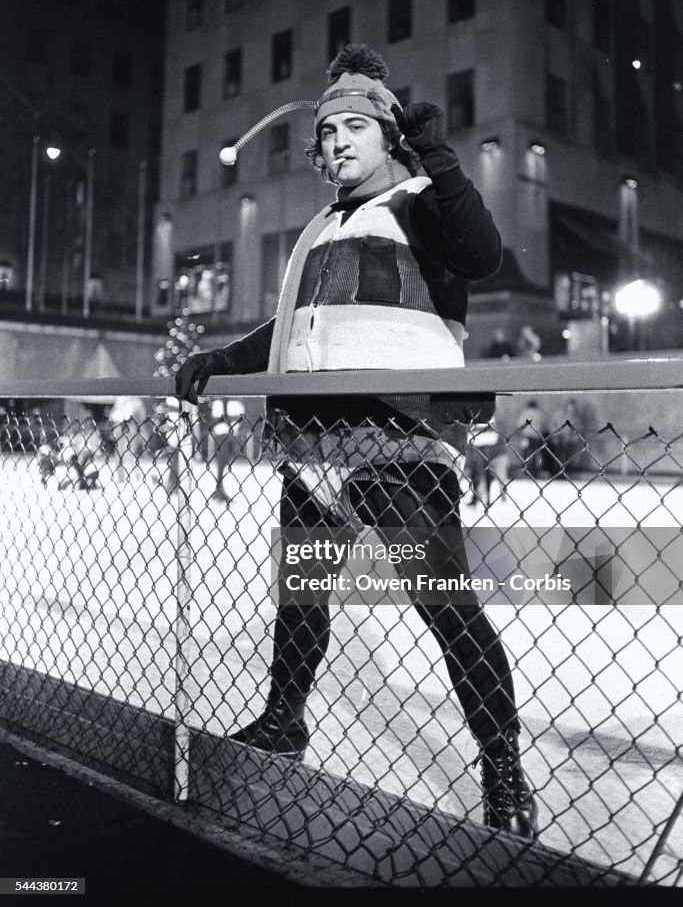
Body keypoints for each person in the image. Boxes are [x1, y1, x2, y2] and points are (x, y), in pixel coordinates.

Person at [175, 44, 538, 839]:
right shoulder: (316, 229)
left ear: (386, 135)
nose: (337, 142)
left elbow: (480, 254)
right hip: (311, 448)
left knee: (444, 608)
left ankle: (502, 763)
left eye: (354, 128)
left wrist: (438, 157)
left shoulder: (418, 202)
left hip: (396, 443)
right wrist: (223, 359)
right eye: (327, 131)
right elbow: (295, 326)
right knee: (299, 597)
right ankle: (284, 717)